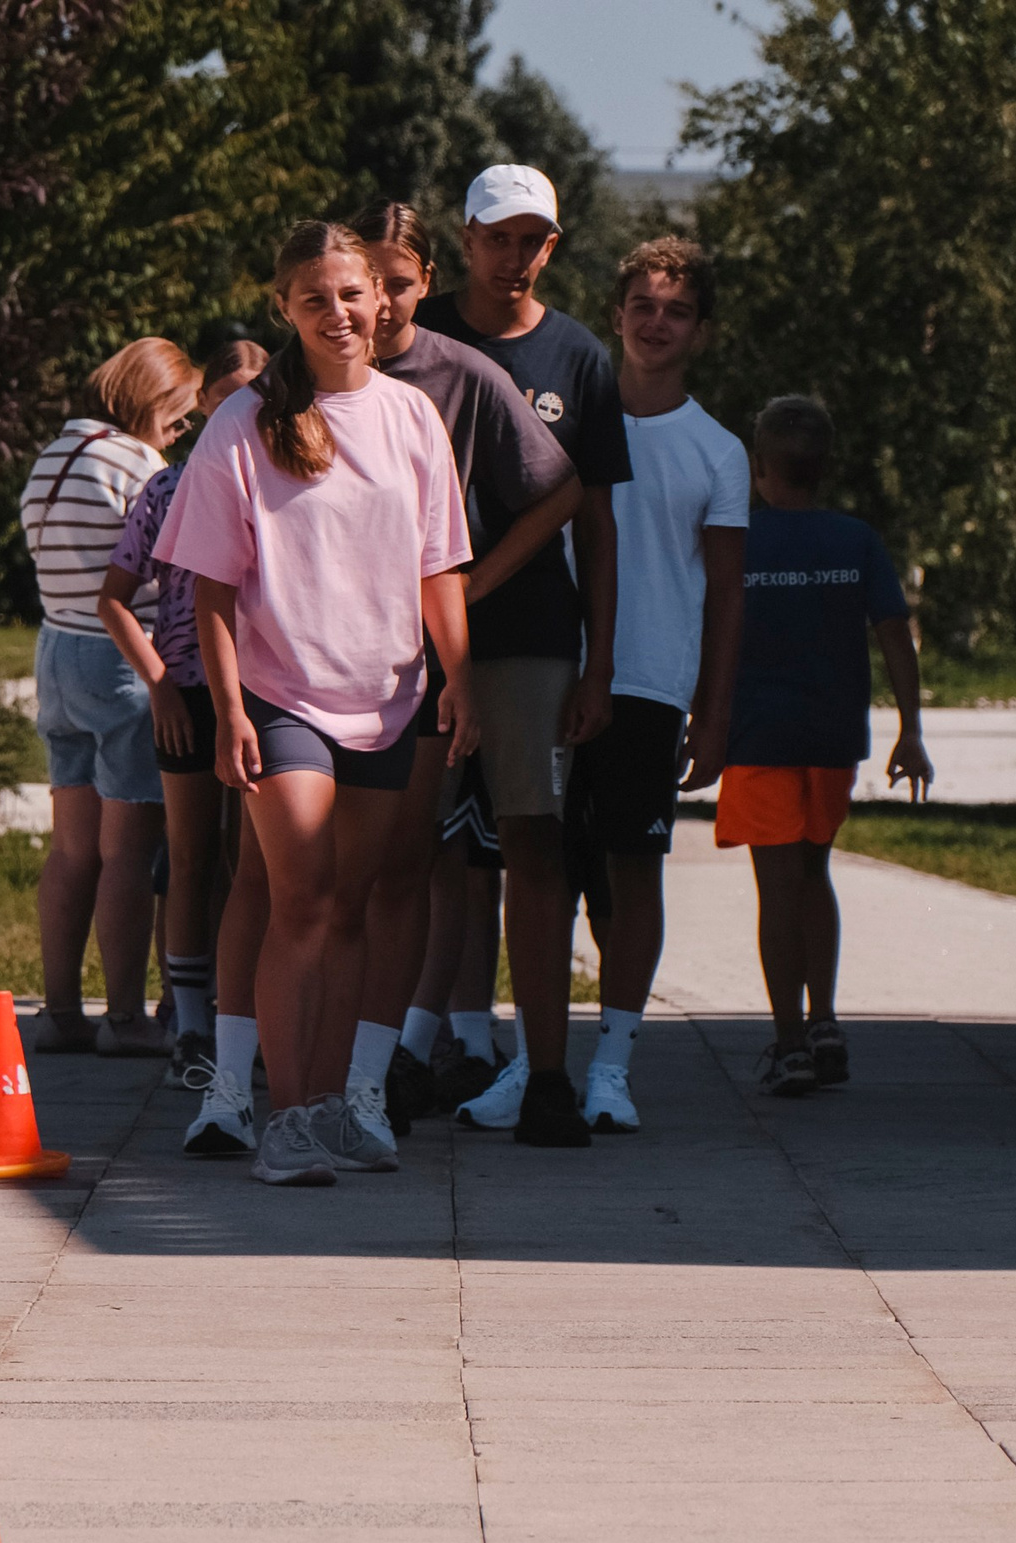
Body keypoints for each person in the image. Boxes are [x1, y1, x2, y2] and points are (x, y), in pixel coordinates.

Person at [155, 220, 476, 1184]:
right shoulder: (242, 422)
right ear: (284, 310)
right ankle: (283, 1118)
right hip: (280, 697)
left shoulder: (412, 416)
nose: (337, 313)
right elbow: (210, 588)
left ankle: (334, 1107)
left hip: (388, 698)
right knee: (299, 901)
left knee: (350, 911)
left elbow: (440, 565)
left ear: (382, 299)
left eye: (352, 294)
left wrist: (463, 677)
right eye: (314, 299)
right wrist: (230, 711)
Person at [346, 199, 579, 1152]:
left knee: (505, 846)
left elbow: (563, 490)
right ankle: (370, 1063)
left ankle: (540, 1071)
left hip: (491, 643)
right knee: (387, 864)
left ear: (425, 283)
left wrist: (477, 581)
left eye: (400, 283)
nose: (382, 303)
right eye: (368, 285)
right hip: (364, 653)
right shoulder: (314, 377)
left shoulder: (462, 375)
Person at [416, 164, 627, 1147]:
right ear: (463, 238)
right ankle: (393, 1059)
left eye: (532, 239)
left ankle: (547, 1076)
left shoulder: (578, 356)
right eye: (498, 236)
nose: (515, 255)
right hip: (403, 638)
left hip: (532, 634)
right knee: (411, 851)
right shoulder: (414, 339)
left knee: (533, 841)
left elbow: (596, 520)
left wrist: (597, 665)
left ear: (554, 243)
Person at [568, 236, 749, 1133]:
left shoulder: (718, 450)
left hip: (648, 685)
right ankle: (527, 1061)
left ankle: (612, 1063)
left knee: (631, 876)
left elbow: (725, 593)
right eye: (643, 304)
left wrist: (712, 717)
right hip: (549, 677)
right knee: (536, 874)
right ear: (618, 313)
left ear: (701, 331)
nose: (657, 322)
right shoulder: (565, 420)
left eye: (677, 310)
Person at [720, 396, 933, 1095]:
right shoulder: (855, 540)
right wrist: (911, 728)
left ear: (758, 467)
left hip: (760, 737)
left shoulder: (738, 540)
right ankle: (825, 1019)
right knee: (815, 872)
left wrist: (699, 720)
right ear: (826, 465)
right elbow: (895, 632)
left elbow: (709, 639)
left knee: (774, 889)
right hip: (832, 739)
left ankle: (789, 1043)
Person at [97, 339, 269, 1100]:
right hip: (190, 692)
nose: (238, 407)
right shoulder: (167, 489)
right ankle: (190, 1027)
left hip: (268, 693)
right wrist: (160, 683)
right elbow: (114, 594)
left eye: (253, 393)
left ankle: (250, 1019)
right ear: (204, 405)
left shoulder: (282, 477)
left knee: (253, 863)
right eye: (225, 394)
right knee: (192, 860)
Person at [20, 339, 201, 1059]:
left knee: (71, 848)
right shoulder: (138, 464)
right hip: (124, 659)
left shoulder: (50, 457)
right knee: (129, 849)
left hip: (55, 651)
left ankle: (60, 1007)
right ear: (152, 402)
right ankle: (124, 1018)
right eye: (179, 417)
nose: (181, 432)